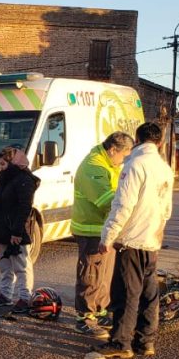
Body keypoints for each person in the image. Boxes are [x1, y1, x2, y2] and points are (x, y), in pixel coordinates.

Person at [94, 122, 174, 359]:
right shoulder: (165, 168)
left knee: (126, 293)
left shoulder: (134, 165)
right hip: (151, 239)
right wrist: (157, 233)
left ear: (137, 140)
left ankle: (121, 343)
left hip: (132, 240)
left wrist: (107, 236)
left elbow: (123, 205)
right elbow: (166, 209)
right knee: (149, 293)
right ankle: (145, 341)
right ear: (159, 142)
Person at [70, 132, 135, 338]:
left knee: (105, 273)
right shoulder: (94, 167)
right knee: (91, 273)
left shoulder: (108, 164)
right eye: (124, 155)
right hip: (92, 229)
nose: (125, 160)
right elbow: (107, 200)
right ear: (113, 150)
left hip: (104, 229)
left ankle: (100, 310)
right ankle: (85, 317)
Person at [0, 148, 40, 313]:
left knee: (22, 266)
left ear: (13, 163)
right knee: (5, 265)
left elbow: (24, 207)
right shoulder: (6, 179)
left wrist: (17, 232)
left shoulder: (24, 180)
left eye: (3, 164)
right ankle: (5, 295)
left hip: (16, 230)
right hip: (3, 229)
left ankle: (25, 297)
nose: (0, 168)